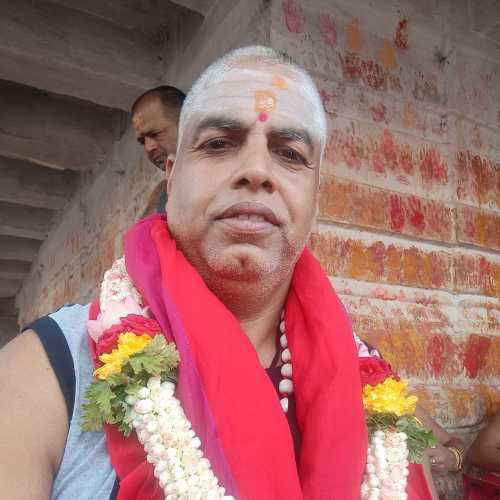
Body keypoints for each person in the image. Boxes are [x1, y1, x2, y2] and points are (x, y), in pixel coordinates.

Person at [0, 46, 434, 499]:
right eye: (218, 144)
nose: (256, 171)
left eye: (289, 153)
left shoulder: (380, 400)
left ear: (315, 197)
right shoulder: (45, 374)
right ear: (171, 176)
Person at [131, 85, 186, 214]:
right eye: (142, 141)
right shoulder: (162, 193)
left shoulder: (226, 166)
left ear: (185, 123)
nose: (148, 148)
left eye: (155, 134)